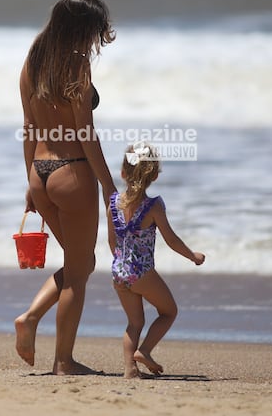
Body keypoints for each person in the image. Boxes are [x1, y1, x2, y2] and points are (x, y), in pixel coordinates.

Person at [15, 0, 117, 375]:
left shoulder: (32, 63)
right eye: (92, 32)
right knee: (78, 271)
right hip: (72, 172)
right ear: (80, 30)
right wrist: (109, 187)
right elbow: (86, 136)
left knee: (82, 262)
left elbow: (28, 128)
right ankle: (63, 361)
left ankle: (30, 319)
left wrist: (30, 180)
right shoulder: (75, 68)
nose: (94, 41)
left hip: (41, 174)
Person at [108, 141, 206, 378]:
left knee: (134, 323)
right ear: (154, 175)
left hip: (118, 270)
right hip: (141, 272)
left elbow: (112, 241)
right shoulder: (153, 205)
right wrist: (192, 256)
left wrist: (122, 264)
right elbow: (171, 240)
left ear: (122, 173)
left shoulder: (113, 203)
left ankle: (130, 369)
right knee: (169, 311)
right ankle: (144, 351)